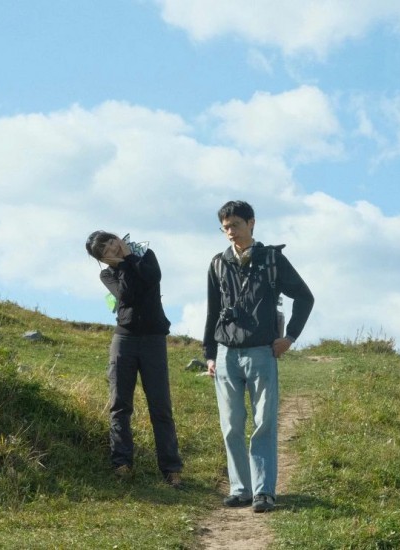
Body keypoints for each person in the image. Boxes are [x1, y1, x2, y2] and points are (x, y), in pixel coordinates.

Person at [203, 201, 314, 512]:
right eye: (225, 227)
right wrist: (209, 354)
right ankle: (241, 489)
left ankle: (264, 492)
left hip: (262, 352)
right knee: (231, 425)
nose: (230, 232)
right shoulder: (218, 263)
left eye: (236, 225)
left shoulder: (272, 260)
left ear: (251, 223)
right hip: (225, 354)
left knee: (263, 422)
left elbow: (305, 297)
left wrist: (289, 337)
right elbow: (212, 311)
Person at [85, 231, 183, 487]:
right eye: (105, 251)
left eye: (111, 242)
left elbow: (153, 277)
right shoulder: (108, 274)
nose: (112, 248)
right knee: (120, 405)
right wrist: (126, 264)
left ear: (119, 239)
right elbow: (126, 295)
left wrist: (130, 258)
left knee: (160, 405)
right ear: (102, 259)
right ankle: (122, 465)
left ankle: (171, 469)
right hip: (124, 340)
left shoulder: (146, 255)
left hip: (153, 339)